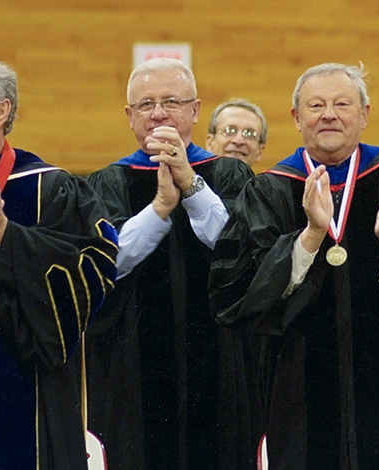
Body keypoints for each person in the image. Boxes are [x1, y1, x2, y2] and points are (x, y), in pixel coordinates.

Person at [209, 62, 379, 470]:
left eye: (342, 103)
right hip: (300, 392)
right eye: (316, 105)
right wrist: (309, 238)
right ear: (297, 118)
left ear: (365, 115)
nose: (329, 114)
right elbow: (235, 294)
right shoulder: (270, 189)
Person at [0, 51, 117, 469]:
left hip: (36, 401)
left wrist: (2, 232)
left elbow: (92, 273)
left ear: (1, 110)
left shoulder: (52, 188)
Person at [85, 58, 253, 470]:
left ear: (195, 110)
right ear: (129, 116)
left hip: (220, 360)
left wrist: (189, 182)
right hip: (133, 369)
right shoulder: (107, 182)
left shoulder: (229, 173)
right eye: (145, 104)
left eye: (171, 101)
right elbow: (109, 263)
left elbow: (236, 248)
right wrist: (160, 208)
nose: (158, 113)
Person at [205, 98, 267, 167]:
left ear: (259, 152)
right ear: (210, 143)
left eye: (249, 134)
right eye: (229, 131)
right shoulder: (191, 177)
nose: (238, 141)